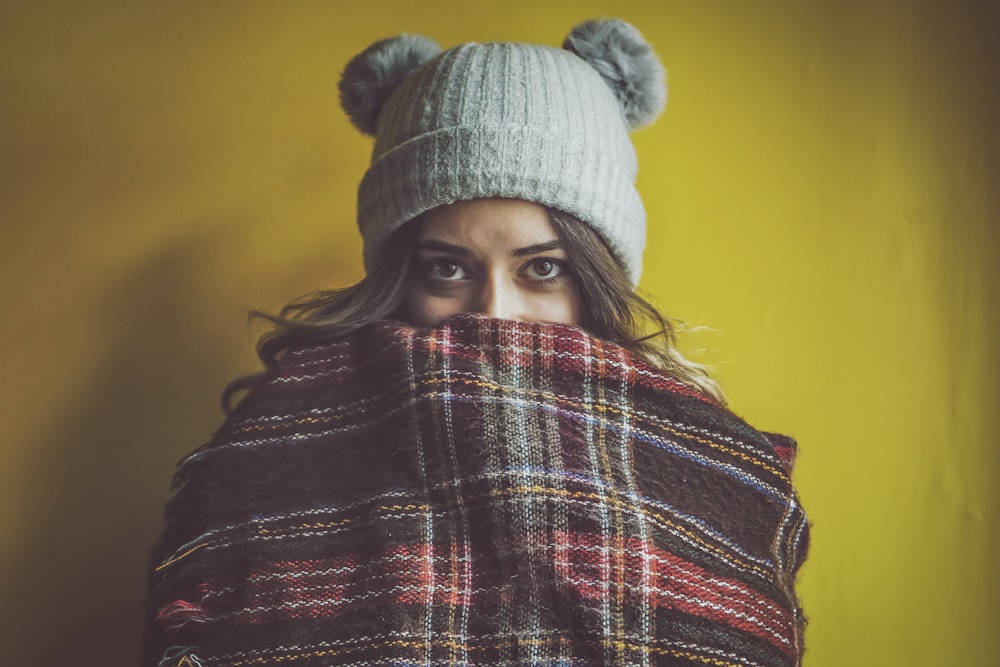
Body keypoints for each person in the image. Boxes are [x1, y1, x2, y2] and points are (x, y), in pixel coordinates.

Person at [146, 19, 809, 667]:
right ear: (402, 274)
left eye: (542, 268)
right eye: (449, 268)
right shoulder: (275, 450)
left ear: (596, 278)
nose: (496, 313)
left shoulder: (704, 469)